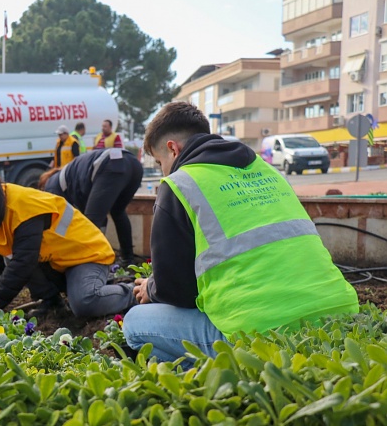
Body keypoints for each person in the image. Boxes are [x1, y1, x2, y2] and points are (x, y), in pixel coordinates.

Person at [122, 102, 359, 368]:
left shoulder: (179, 184)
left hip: (259, 335)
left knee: (134, 323)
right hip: (340, 319)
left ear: (172, 149)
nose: (163, 169)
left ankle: (208, 378)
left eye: (159, 161)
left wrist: (152, 290)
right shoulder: (269, 172)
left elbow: (177, 293)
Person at [0, 165, 137, 319]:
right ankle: (53, 304)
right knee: (9, 258)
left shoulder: (22, 207)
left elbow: (22, 265)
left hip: (86, 256)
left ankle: (134, 291)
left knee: (84, 303)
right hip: (58, 261)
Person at [40, 148, 143, 267]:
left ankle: (91, 262)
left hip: (111, 165)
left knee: (91, 221)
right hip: (134, 164)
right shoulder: (70, 175)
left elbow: (59, 222)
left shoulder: (51, 185)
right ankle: (127, 259)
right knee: (118, 212)